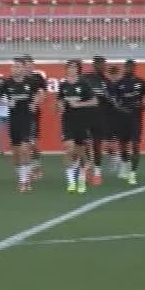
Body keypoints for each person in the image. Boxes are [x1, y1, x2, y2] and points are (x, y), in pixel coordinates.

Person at [0, 58, 42, 192]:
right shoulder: (6, 83)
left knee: (24, 149)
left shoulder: (31, 82)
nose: (15, 69)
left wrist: (34, 103)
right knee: (16, 153)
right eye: (14, 67)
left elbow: (39, 94)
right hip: (13, 120)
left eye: (18, 67)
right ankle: (22, 175)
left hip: (27, 119)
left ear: (23, 68)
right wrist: (7, 104)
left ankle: (24, 181)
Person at [56, 59, 98, 194]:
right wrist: (60, 106)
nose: (72, 69)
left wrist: (79, 104)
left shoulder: (84, 84)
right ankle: (71, 182)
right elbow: (59, 100)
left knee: (80, 152)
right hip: (67, 120)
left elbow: (94, 101)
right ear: (67, 69)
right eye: (70, 67)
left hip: (81, 121)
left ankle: (81, 177)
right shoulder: (63, 85)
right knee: (69, 149)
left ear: (78, 70)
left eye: (74, 67)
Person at [110, 59, 145, 185]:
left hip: (135, 118)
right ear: (124, 68)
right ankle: (124, 165)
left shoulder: (142, 83)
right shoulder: (119, 83)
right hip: (121, 118)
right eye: (126, 67)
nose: (128, 69)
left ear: (134, 68)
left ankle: (133, 173)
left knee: (135, 145)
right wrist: (121, 108)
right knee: (123, 144)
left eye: (130, 67)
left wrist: (143, 106)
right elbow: (114, 101)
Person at [80, 56, 116, 186]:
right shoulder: (85, 78)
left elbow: (113, 101)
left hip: (100, 118)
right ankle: (86, 169)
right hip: (85, 116)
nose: (103, 67)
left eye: (104, 65)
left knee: (97, 145)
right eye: (101, 64)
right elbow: (80, 94)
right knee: (84, 144)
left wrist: (108, 97)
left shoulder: (107, 82)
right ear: (94, 65)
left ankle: (97, 174)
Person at [24, 55, 48, 178]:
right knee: (22, 144)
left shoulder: (37, 78)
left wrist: (35, 102)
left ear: (33, 66)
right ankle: (27, 171)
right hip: (19, 115)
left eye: (30, 64)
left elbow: (43, 95)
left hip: (32, 114)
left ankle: (36, 166)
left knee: (31, 142)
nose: (28, 66)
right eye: (25, 64)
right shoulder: (16, 78)